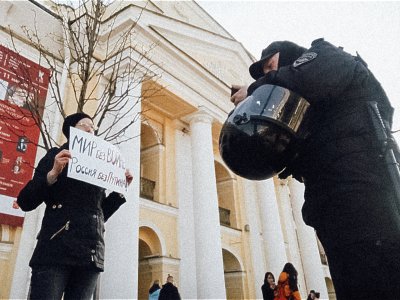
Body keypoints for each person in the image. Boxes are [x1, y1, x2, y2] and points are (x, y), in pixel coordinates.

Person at [231, 38, 400, 299]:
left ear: (287, 55)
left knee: (377, 279)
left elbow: (311, 76)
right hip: (333, 208)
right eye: (265, 72)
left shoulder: (323, 54)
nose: (269, 74)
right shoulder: (308, 110)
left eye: (269, 66)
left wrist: (255, 89)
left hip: (364, 195)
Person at [17, 112, 134, 300]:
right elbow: (25, 201)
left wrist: (120, 191)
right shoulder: (55, 156)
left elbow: (99, 212)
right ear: (71, 130)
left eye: (93, 126)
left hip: (90, 253)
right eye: (84, 124)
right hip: (56, 250)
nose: (90, 129)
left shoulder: (99, 165)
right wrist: (52, 174)